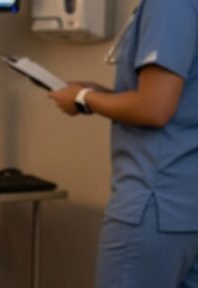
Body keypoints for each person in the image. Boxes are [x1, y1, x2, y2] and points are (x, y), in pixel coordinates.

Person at [45, 0, 198, 286]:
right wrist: (99, 95)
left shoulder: (168, 5)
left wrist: (83, 98)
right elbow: (180, 99)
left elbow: (155, 108)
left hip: (155, 202)